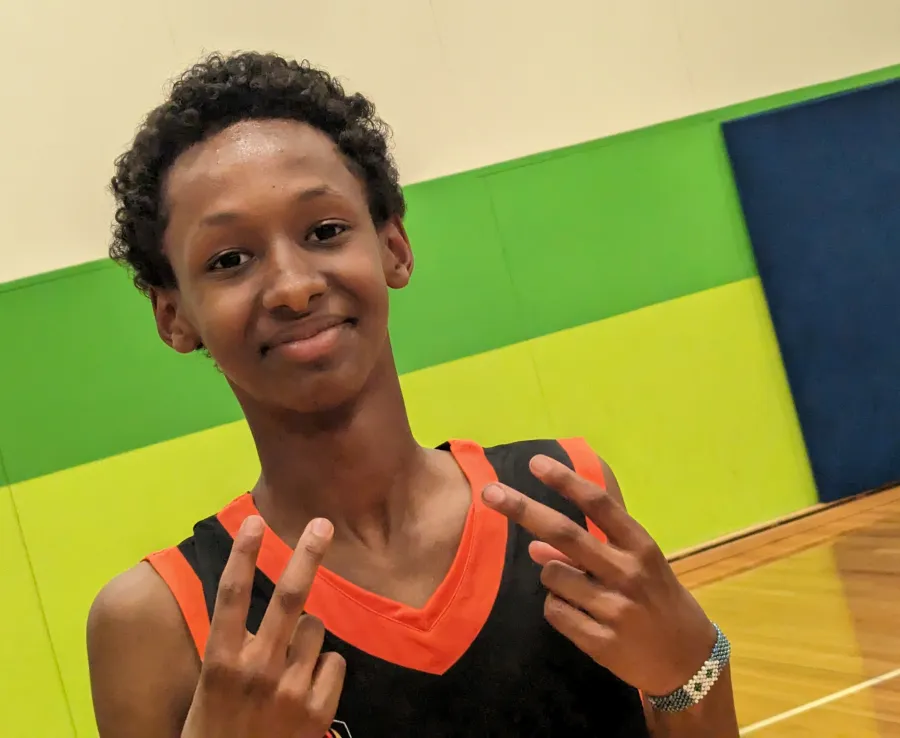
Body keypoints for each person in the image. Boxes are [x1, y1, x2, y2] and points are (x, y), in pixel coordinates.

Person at [86, 51, 739, 738]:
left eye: (325, 231)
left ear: (393, 245)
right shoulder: (157, 620)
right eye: (229, 261)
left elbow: (686, 695)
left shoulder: (566, 499)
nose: (293, 286)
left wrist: (691, 673)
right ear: (174, 316)